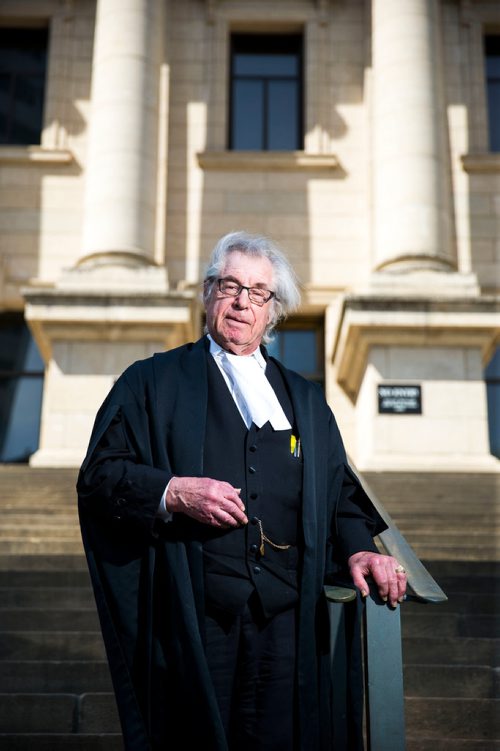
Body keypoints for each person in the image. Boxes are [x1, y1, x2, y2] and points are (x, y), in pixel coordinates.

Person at [77, 231, 407, 751]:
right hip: (196, 612)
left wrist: (363, 548)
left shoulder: (305, 400)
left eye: (257, 293)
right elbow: (99, 477)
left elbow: (340, 494)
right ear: (208, 293)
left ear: (272, 312)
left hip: (286, 618)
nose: (241, 302)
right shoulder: (152, 382)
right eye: (229, 286)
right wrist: (172, 490)